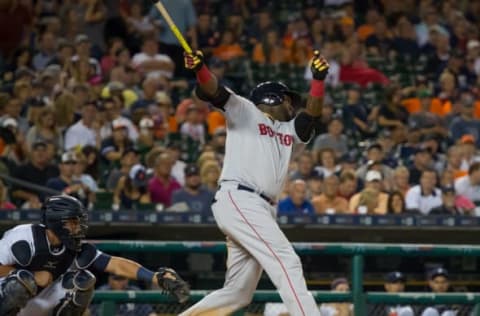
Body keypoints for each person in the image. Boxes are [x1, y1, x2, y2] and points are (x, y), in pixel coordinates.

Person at [179, 48, 329, 315]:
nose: (293, 106)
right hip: (241, 198)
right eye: (289, 101)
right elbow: (213, 90)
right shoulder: (244, 110)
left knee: (238, 294)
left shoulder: (289, 132)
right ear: (275, 98)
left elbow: (311, 115)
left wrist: (318, 80)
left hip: (260, 208)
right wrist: (199, 69)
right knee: (287, 261)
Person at [0, 195, 189, 316]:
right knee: (21, 282)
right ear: (56, 221)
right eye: (73, 222)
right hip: (6, 300)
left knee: (82, 282)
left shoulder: (74, 246)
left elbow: (114, 264)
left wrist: (155, 277)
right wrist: (33, 276)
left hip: (35, 304)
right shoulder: (24, 237)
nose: (78, 227)